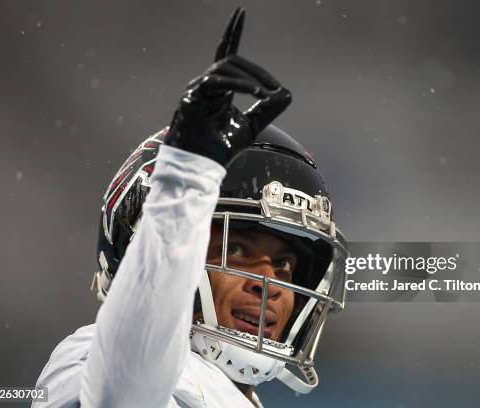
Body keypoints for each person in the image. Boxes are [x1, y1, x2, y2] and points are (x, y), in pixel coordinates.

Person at [33, 8, 348, 407]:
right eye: (237, 249)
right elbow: (124, 386)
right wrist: (184, 181)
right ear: (137, 245)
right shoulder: (95, 360)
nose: (269, 283)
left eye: (284, 264)